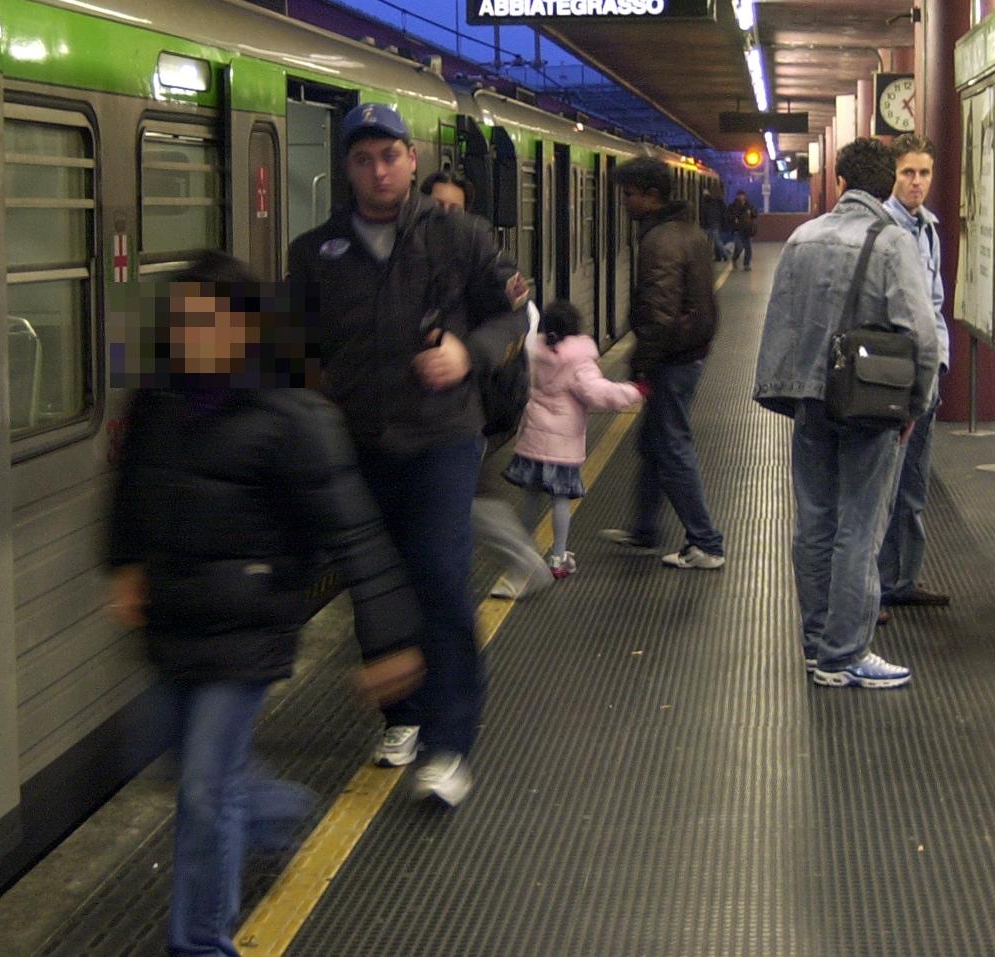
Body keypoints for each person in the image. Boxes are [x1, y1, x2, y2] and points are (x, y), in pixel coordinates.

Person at [107, 252, 425, 957]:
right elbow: (131, 493)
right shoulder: (159, 400)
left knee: (202, 793)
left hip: (249, 625)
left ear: (248, 327)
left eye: (208, 320)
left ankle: (200, 944)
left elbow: (356, 531)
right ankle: (280, 806)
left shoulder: (292, 414)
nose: (191, 334)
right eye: (182, 320)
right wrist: (123, 565)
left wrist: (390, 638)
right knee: (162, 755)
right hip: (175, 619)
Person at [287, 102, 529, 806]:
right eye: (363, 159)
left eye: (390, 155)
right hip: (359, 443)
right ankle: (403, 715)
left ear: (412, 159)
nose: (378, 170)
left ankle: (451, 743)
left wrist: (469, 351)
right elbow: (294, 348)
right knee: (376, 582)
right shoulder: (316, 253)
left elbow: (512, 314)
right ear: (347, 168)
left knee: (442, 581)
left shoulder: (460, 236)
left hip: (443, 438)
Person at [753, 137, 942, 689]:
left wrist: (790, 391)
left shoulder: (802, 237)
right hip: (868, 405)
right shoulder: (891, 241)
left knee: (813, 522)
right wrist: (917, 403)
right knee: (860, 526)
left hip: (811, 401)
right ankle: (844, 654)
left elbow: (781, 322)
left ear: (838, 182)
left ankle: (815, 647)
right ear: (886, 185)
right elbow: (922, 337)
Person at [601, 156, 725, 570]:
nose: (625, 202)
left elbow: (659, 312)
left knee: (671, 446)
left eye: (629, 194)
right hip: (686, 353)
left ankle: (705, 542)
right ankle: (645, 530)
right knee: (653, 443)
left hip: (673, 359)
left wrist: (642, 364)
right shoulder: (687, 231)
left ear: (651, 196)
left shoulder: (661, 241)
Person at [491, 300, 644, 593]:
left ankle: (525, 556)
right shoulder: (577, 360)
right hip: (562, 445)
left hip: (533, 439)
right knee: (560, 501)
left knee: (532, 498)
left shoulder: (534, 351)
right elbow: (599, 394)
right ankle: (558, 557)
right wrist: (633, 391)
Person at [877, 134, 952, 612]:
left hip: (926, 376)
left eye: (924, 173)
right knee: (880, 486)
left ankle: (902, 580)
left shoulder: (928, 229)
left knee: (913, 487)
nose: (917, 182)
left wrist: (939, 363)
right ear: (893, 175)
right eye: (908, 172)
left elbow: (936, 305)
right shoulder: (882, 230)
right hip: (890, 377)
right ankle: (871, 589)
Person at [725, 190, 759, 270]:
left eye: (742, 195)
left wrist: (751, 213)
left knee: (748, 248)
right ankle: (734, 258)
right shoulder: (732, 206)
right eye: (740, 195)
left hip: (748, 230)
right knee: (739, 247)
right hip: (737, 229)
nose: (741, 197)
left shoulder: (749, 205)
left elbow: (755, 214)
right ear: (737, 196)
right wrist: (734, 219)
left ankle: (746, 264)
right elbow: (728, 216)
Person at [699, 187, 728, 262]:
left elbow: (704, 215)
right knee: (715, 241)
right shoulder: (715, 202)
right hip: (715, 223)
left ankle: (724, 254)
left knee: (714, 241)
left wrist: (703, 225)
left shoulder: (706, 204)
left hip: (711, 224)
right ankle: (719, 256)